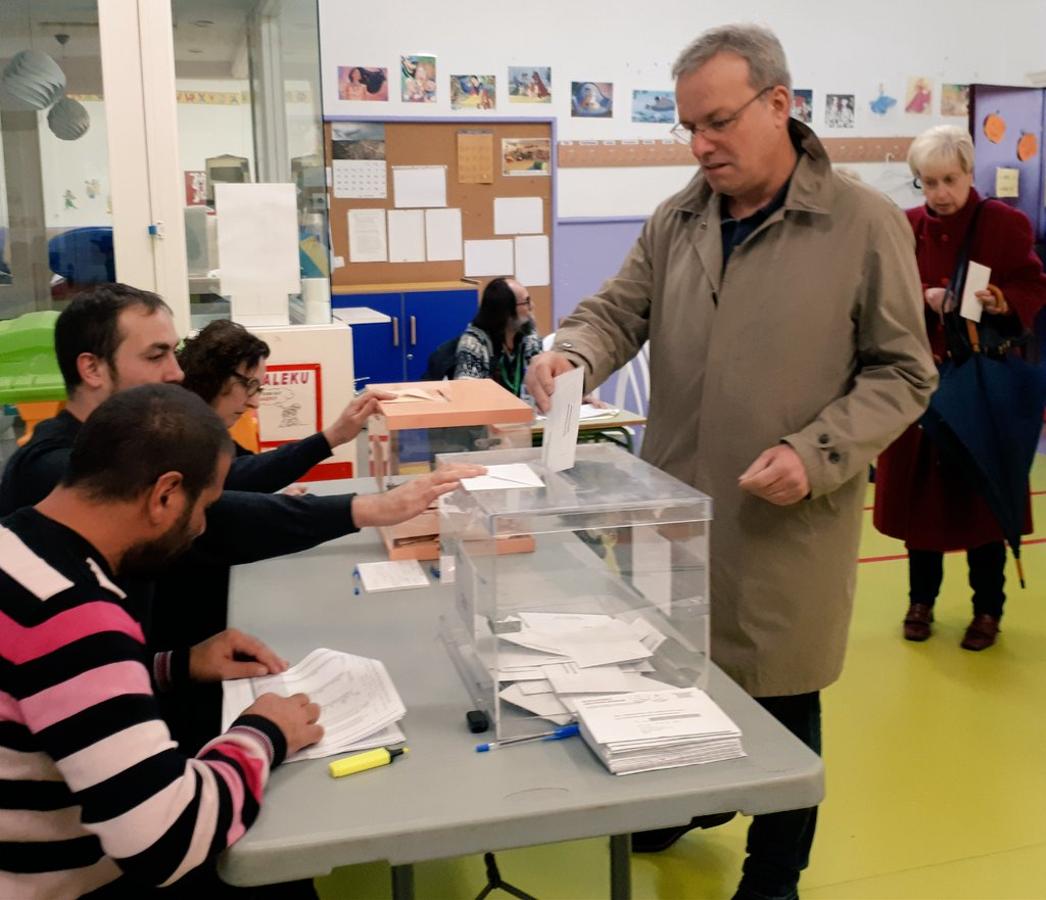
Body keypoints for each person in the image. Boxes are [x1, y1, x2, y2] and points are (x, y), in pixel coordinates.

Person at [524, 24, 937, 899]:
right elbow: (615, 310)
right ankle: (681, 801)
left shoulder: (863, 225)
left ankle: (776, 870)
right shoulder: (678, 218)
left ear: (779, 104)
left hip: (784, 515)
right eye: (687, 128)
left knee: (784, 698)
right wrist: (573, 355)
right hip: (667, 507)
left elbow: (906, 372)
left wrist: (815, 450)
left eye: (716, 123)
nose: (699, 145)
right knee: (665, 673)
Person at [0, 284, 482, 747]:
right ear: (92, 369)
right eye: (155, 356)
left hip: (160, 678)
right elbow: (222, 514)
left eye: (173, 353)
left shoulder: (129, 449)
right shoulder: (58, 471)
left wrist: (181, 664)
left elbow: (227, 488)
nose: (174, 373)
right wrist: (366, 509)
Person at [0, 383, 323, 897]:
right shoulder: (75, 612)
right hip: (60, 882)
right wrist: (266, 732)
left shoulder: (16, 545)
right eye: (204, 506)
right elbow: (166, 842)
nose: (199, 527)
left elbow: (43, 693)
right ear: (165, 495)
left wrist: (176, 665)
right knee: (278, 870)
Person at [873, 125, 1046, 651]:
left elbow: (1032, 283)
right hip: (923, 390)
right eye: (928, 183)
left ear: (970, 174)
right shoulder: (903, 228)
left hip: (982, 388)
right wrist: (919, 298)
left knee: (984, 508)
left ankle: (987, 609)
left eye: (950, 179)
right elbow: (881, 297)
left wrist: (1000, 300)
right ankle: (919, 600)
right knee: (921, 511)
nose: (940, 193)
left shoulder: (1006, 225)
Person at [177, 318, 391, 493]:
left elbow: (251, 471)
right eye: (249, 386)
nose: (254, 402)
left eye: (258, 389)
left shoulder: (209, 428)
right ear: (213, 377)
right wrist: (363, 510)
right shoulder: (179, 435)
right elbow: (234, 476)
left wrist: (268, 501)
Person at [454, 277, 542, 397]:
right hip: (489, 411)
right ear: (507, 311)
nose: (532, 306)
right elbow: (467, 394)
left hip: (524, 410)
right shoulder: (473, 343)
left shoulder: (528, 331)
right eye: (526, 301)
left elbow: (539, 376)